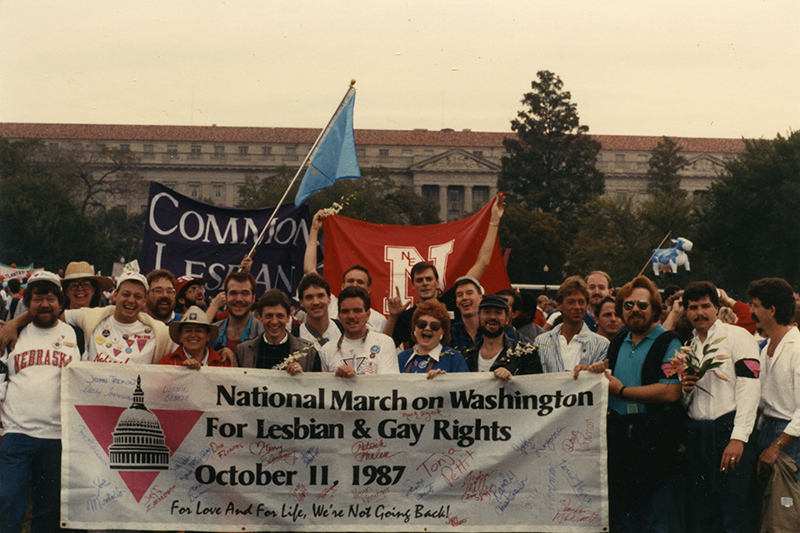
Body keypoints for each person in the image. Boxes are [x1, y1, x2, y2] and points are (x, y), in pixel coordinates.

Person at [576, 275, 682, 533]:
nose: (635, 310)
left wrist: (622, 390)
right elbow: (606, 378)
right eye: (628, 306)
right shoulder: (616, 344)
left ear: (655, 309)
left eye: (642, 305)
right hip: (621, 443)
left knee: (654, 519)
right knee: (624, 520)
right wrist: (590, 371)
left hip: (655, 443)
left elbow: (671, 391)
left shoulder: (670, 342)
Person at [0, 271, 82, 532]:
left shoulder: (76, 335)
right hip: (16, 432)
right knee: (8, 502)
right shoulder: (14, 332)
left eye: (50, 298)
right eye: (37, 299)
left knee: (48, 511)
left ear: (60, 302)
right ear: (27, 303)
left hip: (58, 436)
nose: (44, 304)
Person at [680, 281, 761, 533]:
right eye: (693, 307)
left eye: (706, 305)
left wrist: (738, 439)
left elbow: (750, 389)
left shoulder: (739, 337)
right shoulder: (688, 346)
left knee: (735, 513)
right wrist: (685, 389)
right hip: (699, 438)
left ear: (716, 308)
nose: (700, 312)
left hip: (730, 433)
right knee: (705, 514)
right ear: (686, 312)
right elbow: (685, 401)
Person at [384, 192, 506, 348]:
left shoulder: (452, 300)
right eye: (419, 280)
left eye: (429, 279)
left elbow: (482, 262)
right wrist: (393, 317)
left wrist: (494, 221)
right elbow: (384, 347)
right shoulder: (407, 316)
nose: (425, 283)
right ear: (412, 285)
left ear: (437, 282)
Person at [748, 278, 800, 482]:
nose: (751, 311)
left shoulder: (797, 350)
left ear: (771, 310)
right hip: (766, 431)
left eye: (755, 305)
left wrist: (776, 445)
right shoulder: (766, 348)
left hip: (789, 440)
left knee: (787, 509)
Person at [304, 211, 387, 333]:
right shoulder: (330, 304)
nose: (354, 284)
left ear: (369, 289)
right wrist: (314, 229)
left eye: (360, 282)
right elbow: (309, 270)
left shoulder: (379, 320)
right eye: (350, 281)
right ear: (342, 286)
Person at [318, 286, 399, 376]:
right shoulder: (326, 350)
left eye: (357, 311)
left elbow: (388, 384)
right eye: (345, 311)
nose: (351, 316)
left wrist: (355, 379)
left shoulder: (384, 343)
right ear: (339, 317)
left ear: (368, 315)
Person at [535, 276, 609, 373]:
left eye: (581, 302)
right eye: (571, 302)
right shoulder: (541, 342)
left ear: (586, 306)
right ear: (559, 305)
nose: (577, 307)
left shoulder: (602, 345)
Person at [239, 289, 319, 373]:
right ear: (259, 317)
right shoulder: (243, 351)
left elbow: (317, 384)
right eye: (269, 316)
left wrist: (303, 378)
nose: (274, 321)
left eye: (279, 316)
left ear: (288, 318)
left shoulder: (309, 353)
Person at [462, 295, 542, 378]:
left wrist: (513, 380)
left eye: (498, 313)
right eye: (487, 312)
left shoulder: (526, 355)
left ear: (507, 319)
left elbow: (534, 386)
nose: (492, 317)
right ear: (478, 317)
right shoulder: (466, 356)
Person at [397, 299, 468, 377]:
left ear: (442, 331)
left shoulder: (454, 359)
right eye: (422, 324)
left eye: (434, 326)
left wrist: (446, 382)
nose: (427, 328)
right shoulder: (401, 358)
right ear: (414, 328)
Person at [160, 306, 228, 368]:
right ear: (180, 336)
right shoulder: (167, 362)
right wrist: (181, 368)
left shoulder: (222, 363)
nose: (193, 335)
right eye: (188, 330)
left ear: (208, 336)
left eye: (199, 330)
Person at [213, 271, 261, 353]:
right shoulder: (213, 332)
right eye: (233, 293)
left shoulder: (262, 334)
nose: (239, 299)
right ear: (226, 297)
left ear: (253, 298)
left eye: (245, 293)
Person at [296, 273, 342, 351]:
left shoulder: (343, 329)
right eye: (309, 297)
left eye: (320, 296)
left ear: (329, 298)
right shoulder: (295, 335)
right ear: (301, 302)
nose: (316, 302)